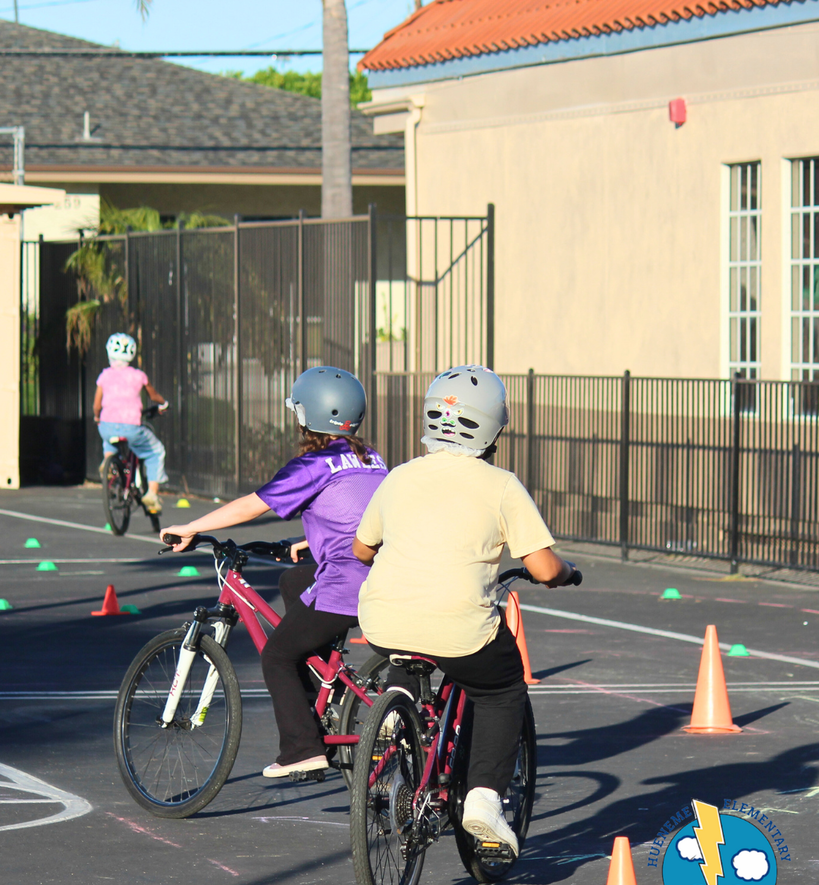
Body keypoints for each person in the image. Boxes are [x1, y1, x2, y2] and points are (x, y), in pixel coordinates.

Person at [352, 364, 581, 854]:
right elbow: (542, 568)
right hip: (458, 626)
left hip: (382, 620)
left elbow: (361, 550)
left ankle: (399, 715)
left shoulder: (399, 476)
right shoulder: (500, 485)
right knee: (500, 689)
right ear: (494, 426)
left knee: (407, 645)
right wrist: (567, 573)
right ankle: (482, 799)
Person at [162, 366, 388, 779]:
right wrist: (310, 541)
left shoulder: (315, 464)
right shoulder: (371, 458)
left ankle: (302, 748)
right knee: (293, 579)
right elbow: (354, 510)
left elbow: (254, 504)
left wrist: (193, 527)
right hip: (383, 575)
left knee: (277, 655)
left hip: (346, 582)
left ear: (307, 415)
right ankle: (323, 680)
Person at [94, 333, 168, 514]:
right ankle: (152, 493)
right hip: (131, 427)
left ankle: (108, 460)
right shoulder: (138, 376)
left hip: (107, 424)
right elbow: (154, 396)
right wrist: (164, 404)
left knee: (107, 431)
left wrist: (97, 417)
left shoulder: (104, 376)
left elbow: (97, 404)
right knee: (155, 452)